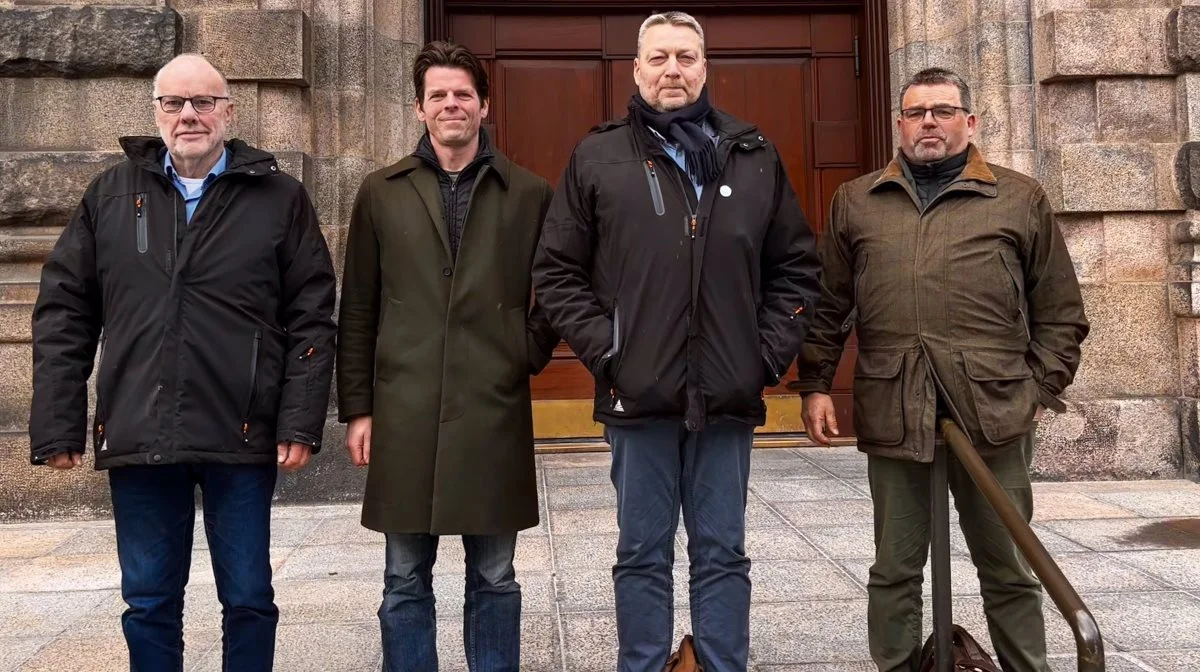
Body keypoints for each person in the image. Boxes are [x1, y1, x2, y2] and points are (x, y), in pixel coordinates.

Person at [532, 11, 822, 672]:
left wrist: (764, 358)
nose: (672, 70)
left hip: (727, 397)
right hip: (639, 397)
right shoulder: (599, 155)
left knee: (723, 551)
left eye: (685, 57)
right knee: (641, 552)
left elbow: (798, 269)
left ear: (704, 67)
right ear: (636, 70)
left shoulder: (751, 154)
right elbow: (555, 271)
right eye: (658, 58)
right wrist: (610, 353)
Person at [28, 53, 337, 671]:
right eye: (174, 103)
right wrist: (58, 424)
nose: (188, 115)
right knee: (147, 601)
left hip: (241, 431)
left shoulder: (278, 197)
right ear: (157, 113)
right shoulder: (112, 194)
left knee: (249, 597)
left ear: (229, 111)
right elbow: (65, 311)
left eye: (202, 102)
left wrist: (299, 421)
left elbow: (313, 313)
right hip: (141, 430)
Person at [795, 67, 1090, 672]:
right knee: (895, 567)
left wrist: (1038, 388)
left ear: (970, 121)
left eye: (944, 110)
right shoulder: (857, 200)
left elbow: (1061, 312)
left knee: (1008, 564)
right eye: (916, 112)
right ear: (900, 125)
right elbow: (829, 306)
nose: (929, 121)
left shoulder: (1019, 197)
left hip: (995, 413)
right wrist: (815, 384)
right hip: (895, 408)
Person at [336, 40, 559, 672]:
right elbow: (357, 307)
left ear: (484, 106)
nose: (451, 105)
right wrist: (358, 408)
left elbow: (559, 291)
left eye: (463, 93)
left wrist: (523, 349)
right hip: (402, 411)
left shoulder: (530, 193)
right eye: (438, 95)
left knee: (495, 576)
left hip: (493, 408)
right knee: (404, 578)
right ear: (418, 108)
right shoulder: (380, 192)